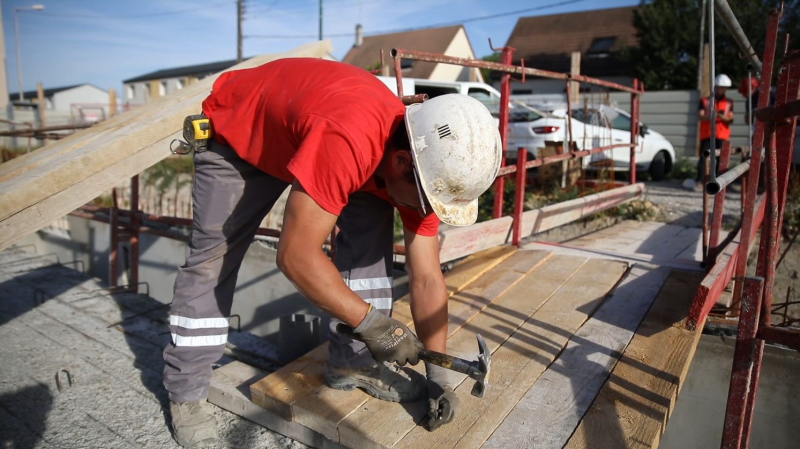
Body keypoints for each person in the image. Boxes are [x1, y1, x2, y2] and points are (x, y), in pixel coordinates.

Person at [162, 58, 502, 447]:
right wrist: (374, 324)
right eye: (426, 202)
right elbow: (295, 255)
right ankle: (185, 391)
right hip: (242, 136)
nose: (426, 212)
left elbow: (426, 276)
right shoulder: (350, 141)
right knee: (214, 260)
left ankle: (352, 363)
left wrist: (438, 374)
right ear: (401, 163)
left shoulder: (424, 171)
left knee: (370, 247)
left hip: (324, 137)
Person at [696, 74, 734, 185]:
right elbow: (700, 116)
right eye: (720, 87)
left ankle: (721, 183)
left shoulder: (729, 102)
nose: (722, 89)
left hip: (722, 134)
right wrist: (714, 115)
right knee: (704, 159)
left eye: (724, 87)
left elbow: (731, 118)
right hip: (707, 134)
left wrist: (721, 116)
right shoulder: (705, 101)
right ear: (715, 87)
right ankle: (701, 181)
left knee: (722, 160)